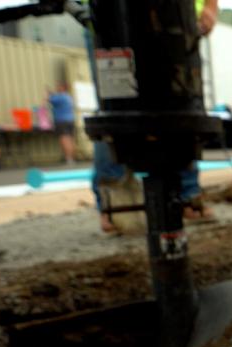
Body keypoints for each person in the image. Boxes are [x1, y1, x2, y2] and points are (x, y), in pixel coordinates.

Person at [89, 0, 219, 232]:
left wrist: (210, 6)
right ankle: (116, 201)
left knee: (182, 102)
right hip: (109, 18)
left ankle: (187, 196)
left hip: (178, 16)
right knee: (116, 106)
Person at [48, 83, 76, 164]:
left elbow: (49, 100)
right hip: (70, 120)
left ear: (63, 88)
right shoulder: (68, 97)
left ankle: (68, 158)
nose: (57, 88)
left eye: (58, 86)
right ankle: (72, 157)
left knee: (64, 139)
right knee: (70, 139)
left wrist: (49, 94)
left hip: (61, 121)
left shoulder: (59, 97)